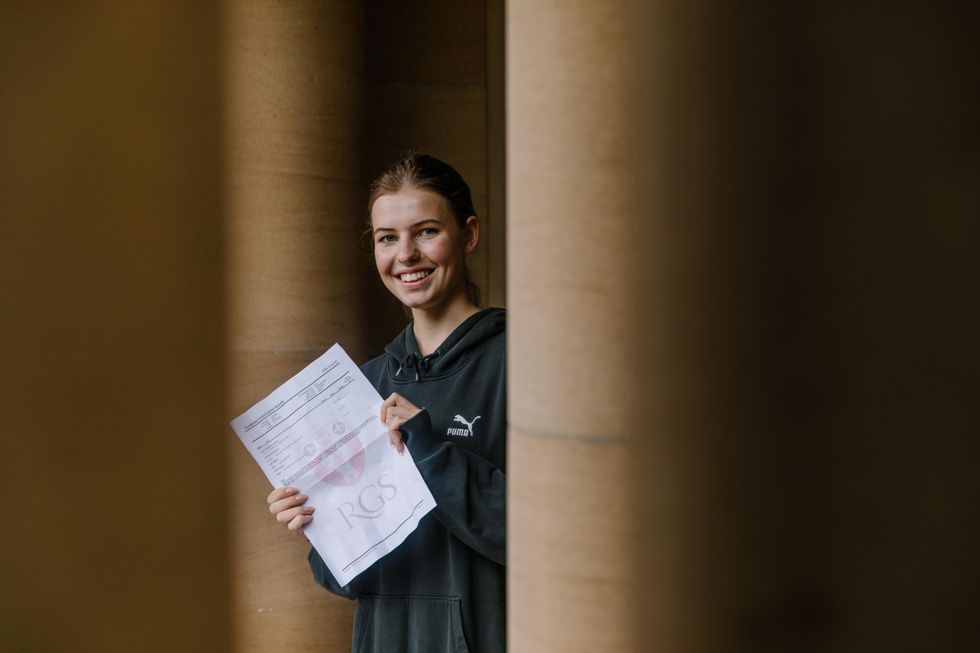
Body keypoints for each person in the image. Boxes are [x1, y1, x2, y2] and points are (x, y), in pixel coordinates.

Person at [266, 154, 506, 653]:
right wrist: (318, 524)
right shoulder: (365, 382)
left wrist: (430, 449)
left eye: (426, 232)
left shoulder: (519, 362)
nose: (406, 255)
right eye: (387, 238)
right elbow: (347, 582)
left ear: (469, 234)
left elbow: (550, 534)